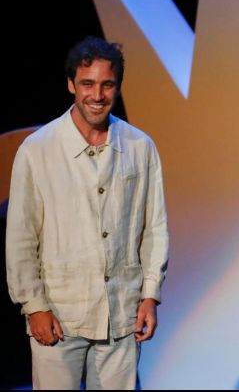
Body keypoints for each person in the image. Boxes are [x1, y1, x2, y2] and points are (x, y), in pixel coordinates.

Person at [5, 36, 170, 390]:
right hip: (60, 311)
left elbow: (154, 228)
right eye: (88, 84)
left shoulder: (140, 147)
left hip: (121, 312)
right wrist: (34, 304)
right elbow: (21, 234)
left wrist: (150, 296)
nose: (97, 95)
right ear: (70, 85)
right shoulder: (39, 150)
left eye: (107, 84)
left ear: (118, 87)